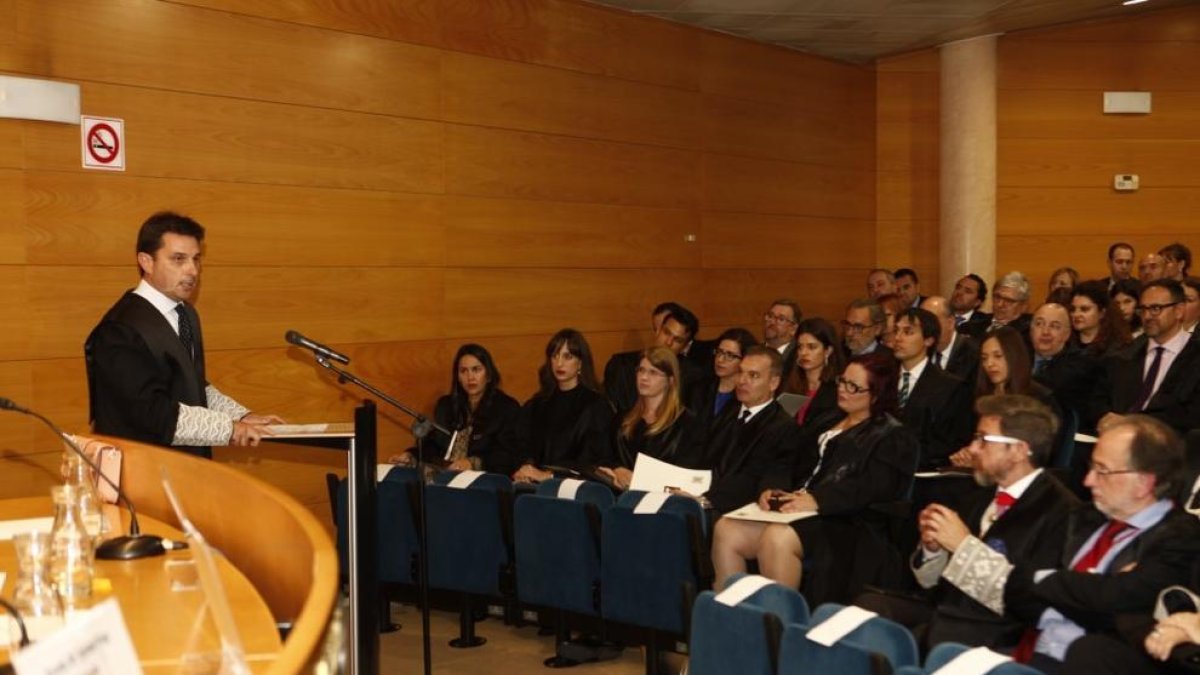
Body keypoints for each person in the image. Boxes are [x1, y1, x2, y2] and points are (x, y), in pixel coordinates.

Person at [858, 395, 1079, 651]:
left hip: (998, 628)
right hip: (948, 611)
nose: (972, 448)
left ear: (1019, 450)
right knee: (865, 611)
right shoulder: (978, 494)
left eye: (983, 439)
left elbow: (1029, 600)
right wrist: (934, 549)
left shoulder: (1061, 512)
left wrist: (963, 546)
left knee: (922, 636)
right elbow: (932, 583)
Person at [998, 416, 1200, 673]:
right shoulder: (1083, 516)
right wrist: (1085, 593)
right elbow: (1015, 587)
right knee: (946, 654)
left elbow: (1122, 607)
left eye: (1102, 470)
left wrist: (1044, 580)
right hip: (1027, 646)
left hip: (1089, 663)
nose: (1088, 481)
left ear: (1143, 483)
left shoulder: (1180, 539)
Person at [720, 353, 918, 604]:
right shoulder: (826, 419)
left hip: (846, 521)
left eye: (853, 386)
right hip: (799, 508)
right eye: (842, 381)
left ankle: (779, 626)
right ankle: (731, 617)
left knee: (777, 537)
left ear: (876, 395)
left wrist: (817, 500)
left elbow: (872, 488)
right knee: (727, 530)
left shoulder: (892, 436)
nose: (843, 390)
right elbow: (787, 459)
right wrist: (773, 487)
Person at [84, 211, 283, 458]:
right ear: (146, 262)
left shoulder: (185, 314)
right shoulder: (119, 330)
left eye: (196, 259)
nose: (192, 271)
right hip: (140, 473)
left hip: (186, 469)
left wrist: (242, 416)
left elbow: (191, 386)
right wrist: (229, 429)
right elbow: (150, 413)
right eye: (178, 259)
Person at [388, 343, 521, 476]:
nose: (470, 377)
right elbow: (432, 445)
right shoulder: (446, 406)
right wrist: (411, 456)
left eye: (476, 370)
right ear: (457, 377)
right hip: (442, 477)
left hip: (481, 481)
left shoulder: (506, 408)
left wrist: (472, 463)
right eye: (463, 371)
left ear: (489, 375)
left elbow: (508, 455)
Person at [697, 346, 799, 516]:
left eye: (753, 376)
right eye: (740, 372)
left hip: (733, 509)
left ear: (773, 383)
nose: (742, 381)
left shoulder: (783, 427)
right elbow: (705, 454)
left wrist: (704, 500)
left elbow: (754, 479)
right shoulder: (730, 409)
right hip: (701, 493)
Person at [1095, 279, 1200, 436]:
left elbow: (1190, 415)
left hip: (1174, 446)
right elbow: (1102, 398)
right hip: (1119, 440)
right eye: (1143, 309)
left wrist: (1133, 422)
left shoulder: (1195, 357)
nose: (1147, 316)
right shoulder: (1124, 354)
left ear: (1179, 310)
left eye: (1156, 309)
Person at [947, 327, 1059, 468]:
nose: (989, 364)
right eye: (984, 358)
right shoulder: (977, 397)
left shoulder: (1039, 400)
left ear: (1014, 356)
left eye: (998, 356)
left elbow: (1040, 455)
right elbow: (963, 439)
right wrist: (965, 454)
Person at [513, 329, 613, 483]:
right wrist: (525, 468)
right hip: (534, 485)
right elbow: (523, 444)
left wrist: (549, 476)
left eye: (568, 357)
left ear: (580, 363)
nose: (559, 363)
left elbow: (594, 463)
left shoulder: (596, 405)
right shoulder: (538, 403)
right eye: (555, 356)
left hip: (573, 488)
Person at [598, 347, 704, 490]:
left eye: (653, 372)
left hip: (661, 501)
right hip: (619, 495)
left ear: (670, 380)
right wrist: (617, 469)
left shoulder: (688, 424)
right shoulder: (622, 419)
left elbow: (686, 473)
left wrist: (638, 480)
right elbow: (603, 456)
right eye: (641, 370)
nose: (644, 377)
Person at [892, 308, 974, 470]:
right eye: (896, 331)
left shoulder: (950, 387)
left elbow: (949, 443)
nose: (898, 338)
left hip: (925, 473)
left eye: (908, 332)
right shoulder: (883, 379)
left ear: (928, 340)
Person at [603, 304, 703, 415]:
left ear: (686, 346)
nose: (668, 342)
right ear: (658, 330)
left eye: (677, 340)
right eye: (666, 332)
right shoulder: (621, 366)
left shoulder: (693, 377)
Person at [690, 327, 758, 431]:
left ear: (745, 360)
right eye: (719, 352)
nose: (720, 359)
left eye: (730, 355)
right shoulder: (700, 388)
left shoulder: (747, 397)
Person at [782, 318, 845, 426]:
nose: (803, 353)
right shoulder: (791, 384)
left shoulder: (837, 388)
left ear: (828, 351)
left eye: (811, 347)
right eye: (800, 347)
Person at [922, 296, 980, 383]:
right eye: (921, 321)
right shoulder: (919, 350)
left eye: (931, 320)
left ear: (950, 322)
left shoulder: (974, 353)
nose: (924, 327)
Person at [1070, 281, 1133, 357]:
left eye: (1084, 309)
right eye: (1073, 309)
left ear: (1101, 313)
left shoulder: (1117, 348)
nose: (1076, 314)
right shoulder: (1066, 343)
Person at [762, 299, 802, 385]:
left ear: (793, 329)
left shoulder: (799, 358)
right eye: (770, 316)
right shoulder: (752, 352)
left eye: (781, 319)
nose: (772, 322)